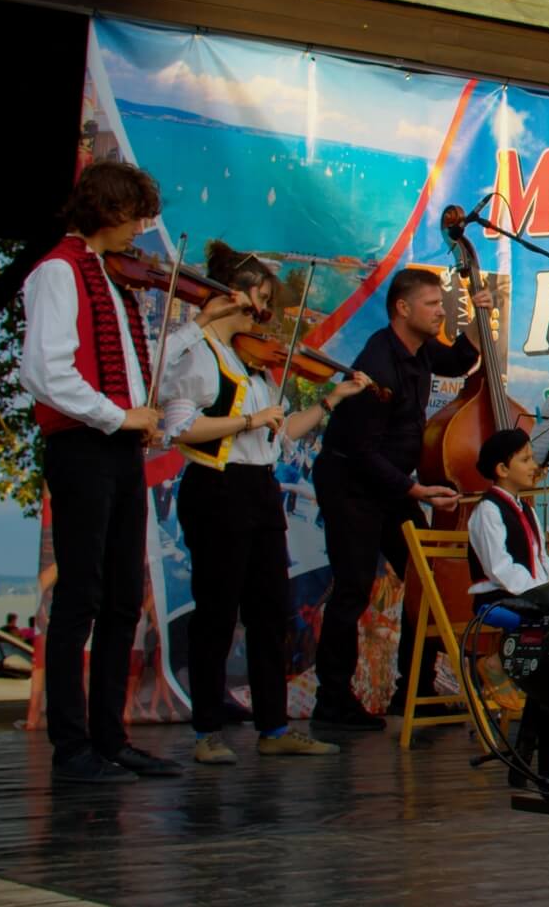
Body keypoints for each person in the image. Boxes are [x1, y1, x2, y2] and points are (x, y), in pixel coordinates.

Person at [159, 242, 368, 765]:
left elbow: (282, 436)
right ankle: (207, 729)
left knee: (269, 615)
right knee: (216, 614)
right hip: (215, 487)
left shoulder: (254, 365)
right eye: (262, 298)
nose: (267, 313)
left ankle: (274, 727)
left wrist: (327, 401)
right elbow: (178, 427)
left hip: (259, 489)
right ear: (239, 296)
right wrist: (248, 421)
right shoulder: (201, 356)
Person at [22, 160, 174, 783]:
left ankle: (110, 738)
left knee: (119, 599)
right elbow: (46, 374)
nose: (141, 226)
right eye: (135, 214)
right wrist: (118, 416)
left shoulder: (108, 279)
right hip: (85, 445)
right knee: (81, 598)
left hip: (115, 446)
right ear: (109, 211)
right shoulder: (60, 270)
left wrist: (146, 415)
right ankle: (72, 746)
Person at [311, 267, 489, 731]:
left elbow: (454, 363)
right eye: (432, 305)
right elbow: (361, 451)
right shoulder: (379, 362)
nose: (440, 312)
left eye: (442, 305)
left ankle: (413, 686)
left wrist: (478, 321)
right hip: (352, 483)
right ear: (403, 309)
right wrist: (413, 489)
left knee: (425, 572)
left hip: (389, 484)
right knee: (352, 588)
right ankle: (332, 702)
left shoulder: (420, 347)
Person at [466, 428, 549, 783]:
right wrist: (541, 595)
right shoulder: (487, 511)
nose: (533, 465)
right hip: (497, 600)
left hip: (530, 598)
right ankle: (535, 752)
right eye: (524, 459)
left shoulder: (525, 509)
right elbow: (500, 567)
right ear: (501, 469)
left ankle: (527, 750)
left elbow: (541, 560)